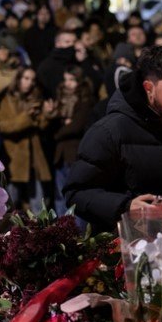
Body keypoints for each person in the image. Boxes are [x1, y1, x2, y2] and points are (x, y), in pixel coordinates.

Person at [63, 45, 162, 232]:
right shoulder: (108, 132)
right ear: (149, 87)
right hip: (125, 250)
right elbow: (76, 193)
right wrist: (125, 206)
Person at [0, 66, 54, 211]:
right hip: (14, 156)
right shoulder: (7, 98)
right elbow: (4, 126)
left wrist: (47, 114)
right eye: (26, 78)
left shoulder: (36, 97)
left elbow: (40, 126)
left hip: (34, 157)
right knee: (9, 202)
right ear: (19, 79)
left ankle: (40, 232)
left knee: (39, 204)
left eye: (32, 79)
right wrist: (27, 117)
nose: (30, 83)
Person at [51, 65, 97, 216]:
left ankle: (76, 233)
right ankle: (60, 230)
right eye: (65, 79)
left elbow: (77, 125)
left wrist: (59, 132)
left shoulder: (84, 99)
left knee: (75, 195)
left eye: (72, 80)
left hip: (75, 152)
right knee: (60, 194)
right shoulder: (60, 99)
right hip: (60, 154)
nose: (67, 83)